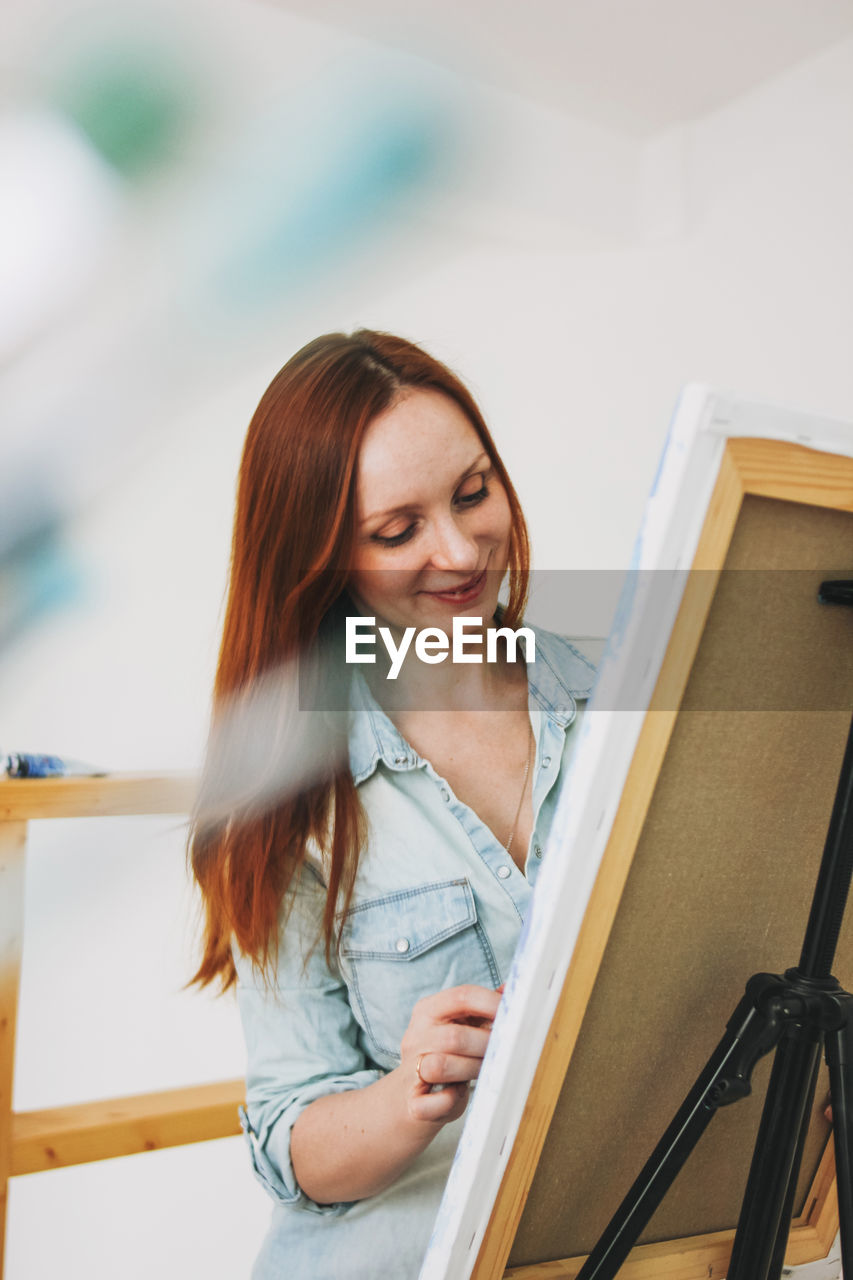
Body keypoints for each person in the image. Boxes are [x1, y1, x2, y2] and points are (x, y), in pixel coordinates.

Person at [189, 330, 596, 1279]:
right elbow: (292, 1141)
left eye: (472, 493)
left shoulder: (635, 692)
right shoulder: (281, 800)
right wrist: (408, 1092)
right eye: (396, 530)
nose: (459, 551)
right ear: (321, 559)